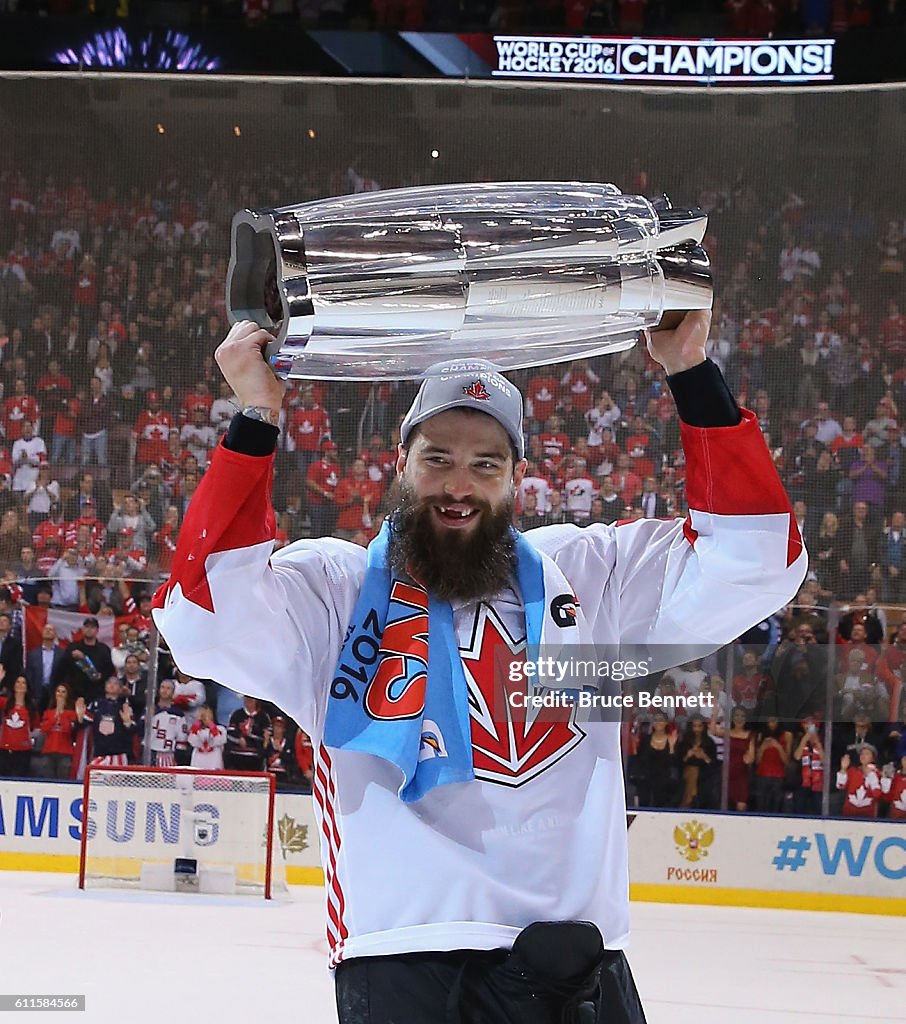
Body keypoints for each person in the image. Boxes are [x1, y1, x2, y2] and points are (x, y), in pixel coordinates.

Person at [151, 312, 806, 1024]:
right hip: (407, 955)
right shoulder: (334, 592)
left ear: (517, 479)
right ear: (399, 463)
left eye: (484, 463)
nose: (457, 484)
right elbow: (203, 616)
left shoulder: (590, 576)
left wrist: (690, 369)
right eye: (437, 458)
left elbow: (758, 563)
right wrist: (256, 416)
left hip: (578, 966)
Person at [35, 682, 79, 779]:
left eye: (63, 692)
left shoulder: (72, 714)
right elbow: (44, 729)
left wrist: (61, 714)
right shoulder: (48, 713)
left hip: (65, 753)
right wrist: (56, 716)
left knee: (63, 779)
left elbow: (68, 730)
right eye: (58, 691)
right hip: (48, 751)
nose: (60, 694)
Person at [0, 674, 36, 776]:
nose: (20, 685)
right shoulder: (5, 703)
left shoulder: (31, 708)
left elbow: (34, 727)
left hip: (23, 752)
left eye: (23, 683)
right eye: (18, 682)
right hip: (4, 750)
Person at [188, 705, 226, 769]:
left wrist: (211, 725)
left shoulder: (221, 729)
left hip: (214, 762)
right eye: (203, 714)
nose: (205, 717)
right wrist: (197, 724)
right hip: (198, 762)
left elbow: (218, 741)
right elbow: (193, 742)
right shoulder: (195, 729)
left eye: (208, 714)